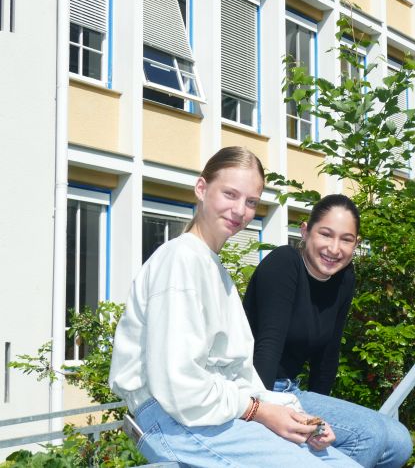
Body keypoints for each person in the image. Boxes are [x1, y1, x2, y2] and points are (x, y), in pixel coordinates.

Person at [108, 147, 361, 468]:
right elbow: (179, 387)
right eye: (230, 194)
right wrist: (259, 411)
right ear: (202, 188)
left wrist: (295, 415)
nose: (240, 210)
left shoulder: (214, 269)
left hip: (211, 413)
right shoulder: (180, 260)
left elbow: (237, 377)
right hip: (174, 420)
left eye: (251, 202)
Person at [244, 194, 413, 468]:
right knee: (369, 435)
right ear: (305, 231)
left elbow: (328, 354)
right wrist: (264, 417)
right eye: (326, 234)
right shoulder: (284, 263)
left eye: (346, 239)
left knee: (399, 441)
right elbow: (267, 346)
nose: (334, 249)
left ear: (356, 244)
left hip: (292, 391)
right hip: (258, 390)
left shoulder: (344, 277)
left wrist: (320, 422)